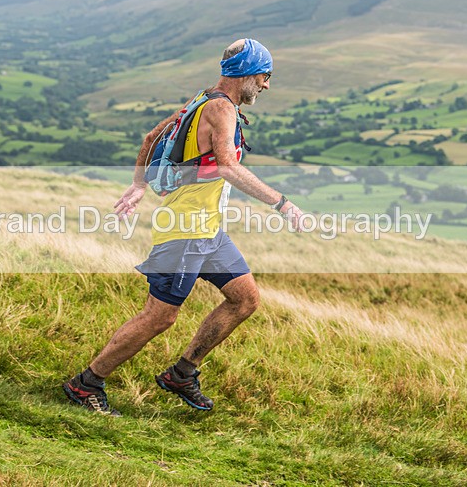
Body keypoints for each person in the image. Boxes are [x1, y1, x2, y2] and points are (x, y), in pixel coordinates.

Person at [64, 38, 304, 415]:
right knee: (160, 316)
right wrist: (281, 202)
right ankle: (86, 384)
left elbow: (150, 138)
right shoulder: (220, 110)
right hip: (185, 232)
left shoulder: (201, 100)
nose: (266, 86)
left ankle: (182, 373)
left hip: (209, 232)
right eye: (264, 76)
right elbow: (227, 165)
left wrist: (139, 185)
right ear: (247, 73)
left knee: (245, 299)